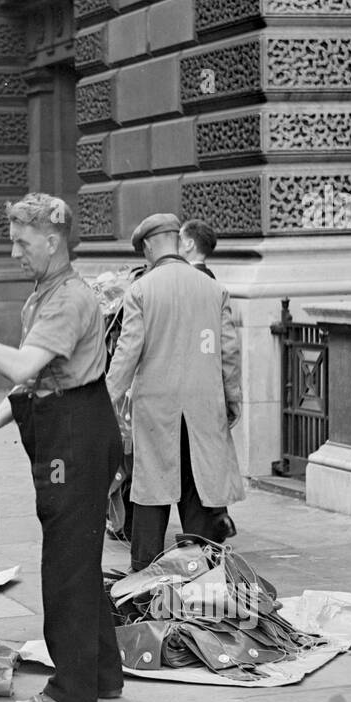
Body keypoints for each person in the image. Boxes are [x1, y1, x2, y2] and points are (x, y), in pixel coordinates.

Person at [0, 193, 124, 702]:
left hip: (77, 435)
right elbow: (34, 386)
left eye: (22, 243)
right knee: (80, 557)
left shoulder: (67, 299)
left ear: (52, 241)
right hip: (71, 430)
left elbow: (24, 368)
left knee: (66, 562)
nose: (14, 254)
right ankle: (103, 675)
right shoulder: (45, 295)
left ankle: (71, 689)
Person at [106, 213, 244, 571]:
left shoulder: (141, 290)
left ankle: (145, 581)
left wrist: (105, 401)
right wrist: (232, 401)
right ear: (176, 241)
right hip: (204, 407)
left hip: (156, 411)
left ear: (150, 246)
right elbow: (229, 352)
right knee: (199, 493)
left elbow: (126, 353)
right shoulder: (213, 289)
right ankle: (207, 578)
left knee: (151, 495)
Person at [179, 218, 235, 539]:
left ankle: (210, 528)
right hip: (209, 390)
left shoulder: (190, 285)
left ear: (189, 244)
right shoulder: (214, 283)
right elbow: (226, 351)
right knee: (207, 462)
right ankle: (216, 519)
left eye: (178, 240)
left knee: (196, 467)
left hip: (190, 393)